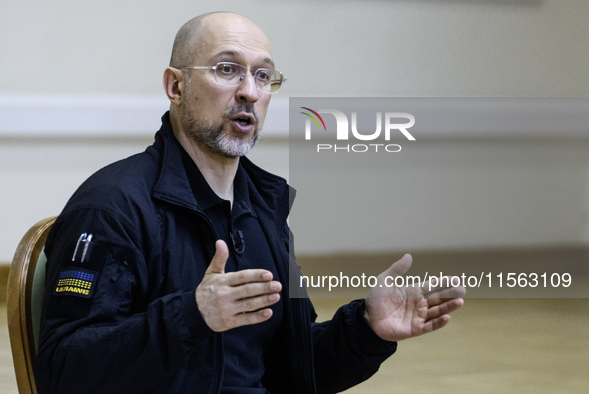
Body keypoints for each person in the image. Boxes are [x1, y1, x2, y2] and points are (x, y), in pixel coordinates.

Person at [35, 12, 465, 394]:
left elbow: (287, 372)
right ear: (176, 85)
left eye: (263, 76)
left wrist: (367, 330)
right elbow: (64, 371)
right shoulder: (112, 205)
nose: (249, 92)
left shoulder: (262, 208)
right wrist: (191, 315)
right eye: (227, 70)